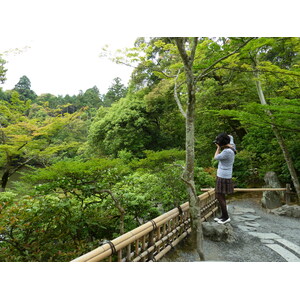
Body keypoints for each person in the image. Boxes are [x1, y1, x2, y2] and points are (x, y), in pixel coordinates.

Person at [213, 133, 236, 224]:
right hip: (226, 175)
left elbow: (216, 157)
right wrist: (224, 137)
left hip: (223, 176)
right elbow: (231, 137)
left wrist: (218, 148)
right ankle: (223, 216)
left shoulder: (227, 152)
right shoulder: (232, 146)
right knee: (221, 195)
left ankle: (226, 217)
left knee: (219, 195)